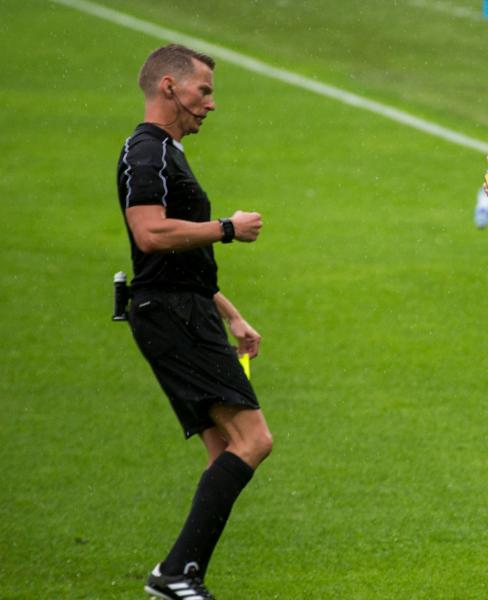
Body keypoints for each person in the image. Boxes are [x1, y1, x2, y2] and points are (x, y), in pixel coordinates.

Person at [116, 44, 273, 600]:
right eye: (203, 91)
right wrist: (227, 227)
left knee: (222, 449)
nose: (210, 104)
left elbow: (179, 261)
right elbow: (150, 235)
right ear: (168, 87)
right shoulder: (146, 153)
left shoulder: (168, 152)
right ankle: (176, 573)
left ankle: (183, 574)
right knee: (252, 440)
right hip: (172, 316)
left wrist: (232, 315)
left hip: (182, 308)